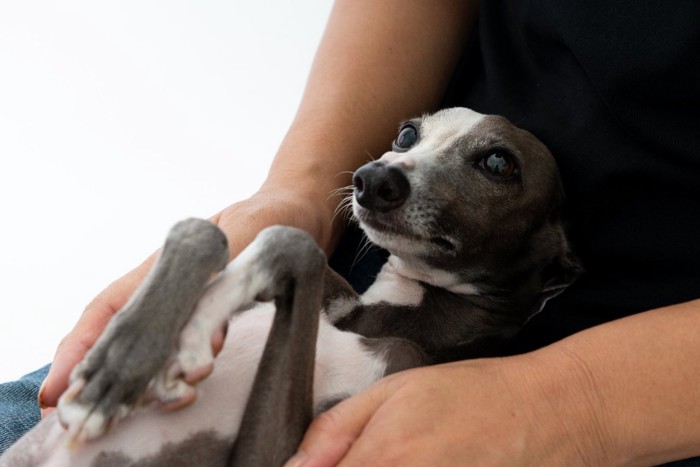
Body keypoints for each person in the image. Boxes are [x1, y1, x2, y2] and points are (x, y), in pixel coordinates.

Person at [3, 0, 700, 464]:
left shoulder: (396, 353)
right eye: (406, 140)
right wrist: (299, 190)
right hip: (340, 268)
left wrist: (570, 402)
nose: (382, 170)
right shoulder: (325, 281)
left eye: (492, 165)